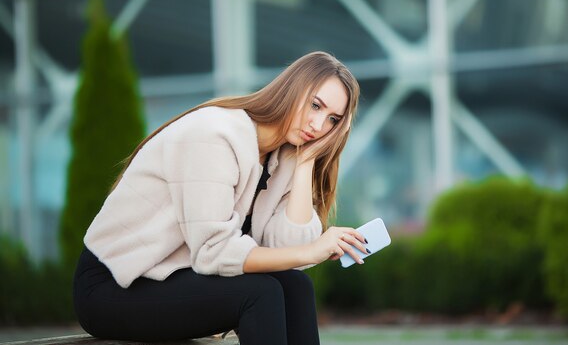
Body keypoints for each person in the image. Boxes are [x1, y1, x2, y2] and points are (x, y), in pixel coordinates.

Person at [73, 51, 369, 345]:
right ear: (291, 88)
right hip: (113, 286)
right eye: (315, 105)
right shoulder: (216, 134)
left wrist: (305, 163)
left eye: (332, 119)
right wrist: (311, 250)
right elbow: (213, 251)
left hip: (173, 278)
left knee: (295, 285)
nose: (318, 126)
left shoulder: (286, 156)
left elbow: (290, 251)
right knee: (260, 293)